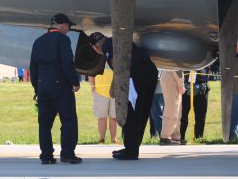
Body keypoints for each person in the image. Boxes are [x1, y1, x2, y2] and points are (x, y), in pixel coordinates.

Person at [90, 32, 158, 160]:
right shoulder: (116, 40)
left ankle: (131, 151)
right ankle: (132, 147)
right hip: (150, 71)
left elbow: (118, 67)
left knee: (131, 112)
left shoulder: (106, 45)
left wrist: (112, 90)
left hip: (138, 73)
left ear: (95, 47)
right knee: (142, 112)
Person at [29, 13, 81, 164]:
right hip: (61, 86)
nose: (68, 30)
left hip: (43, 85)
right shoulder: (63, 39)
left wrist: (37, 87)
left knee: (44, 123)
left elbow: (33, 67)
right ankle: (67, 154)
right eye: (68, 27)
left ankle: (46, 156)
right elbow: (67, 63)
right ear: (63, 25)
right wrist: (74, 81)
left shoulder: (38, 41)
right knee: (68, 120)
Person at [88, 67, 118, 144]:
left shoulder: (116, 56)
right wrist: (93, 88)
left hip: (115, 92)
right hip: (100, 92)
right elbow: (91, 73)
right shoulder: (97, 56)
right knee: (102, 117)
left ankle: (113, 139)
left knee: (114, 118)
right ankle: (101, 138)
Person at [181, 68, 211, 142]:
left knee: (200, 116)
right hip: (184, 87)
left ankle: (198, 138)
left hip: (202, 87)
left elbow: (215, 60)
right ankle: (180, 137)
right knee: (182, 115)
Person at [159, 69, 184, 145]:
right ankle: (165, 137)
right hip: (172, 75)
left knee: (176, 109)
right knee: (172, 108)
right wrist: (181, 85)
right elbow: (177, 67)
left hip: (169, 75)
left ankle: (174, 136)